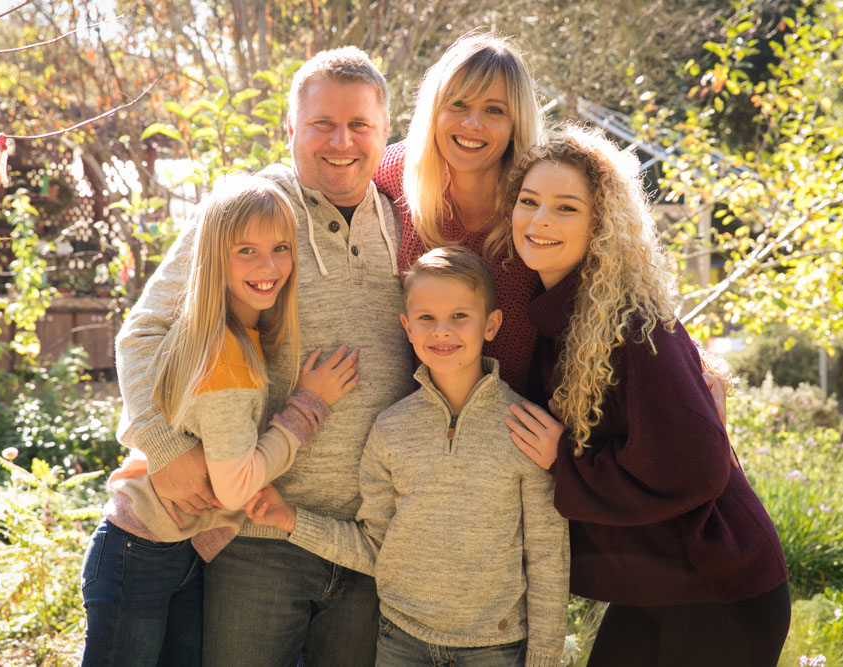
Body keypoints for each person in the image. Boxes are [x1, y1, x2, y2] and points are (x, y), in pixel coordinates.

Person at [113, 48, 415, 666]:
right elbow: (143, 334)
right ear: (291, 130)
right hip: (257, 534)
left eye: (360, 125)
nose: (341, 141)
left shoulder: (410, 222)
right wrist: (164, 447)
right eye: (321, 124)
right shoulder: (249, 212)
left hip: (368, 539)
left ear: (386, 134)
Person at [505, 125, 791, 666]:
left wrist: (563, 462)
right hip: (657, 587)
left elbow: (699, 465)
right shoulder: (558, 320)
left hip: (721, 587)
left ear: (602, 224)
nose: (539, 220)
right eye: (529, 201)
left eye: (565, 208)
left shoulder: (634, 327)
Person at [80, 174, 360, 666]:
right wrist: (306, 408)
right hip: (139, 554)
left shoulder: (234, 335)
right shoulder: (225, 358)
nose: (268, 266)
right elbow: (235, 488)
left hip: (183, 551)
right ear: (212, 257)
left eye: (280, 248)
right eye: (245, 251)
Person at [245, 247, 569, 666]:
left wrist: (542, 660)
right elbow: (375, 545)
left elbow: (547, 558)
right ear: (407, 328)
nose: (442, 331)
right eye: (426, 318)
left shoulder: (526, 430)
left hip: (494, 648)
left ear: (491, 325)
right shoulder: (390, 429)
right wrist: (291, 519)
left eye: (459, 316)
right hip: (401, 643)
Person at [372, 31, 543, 394]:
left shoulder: (538, 203)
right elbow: (327, 179)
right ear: (435, 111)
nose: (472, 124)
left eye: (494, 110)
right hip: (411, 424)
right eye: (459, 105)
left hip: (511, 430)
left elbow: (611, 276)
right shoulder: (399, 170)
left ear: (516, 126)